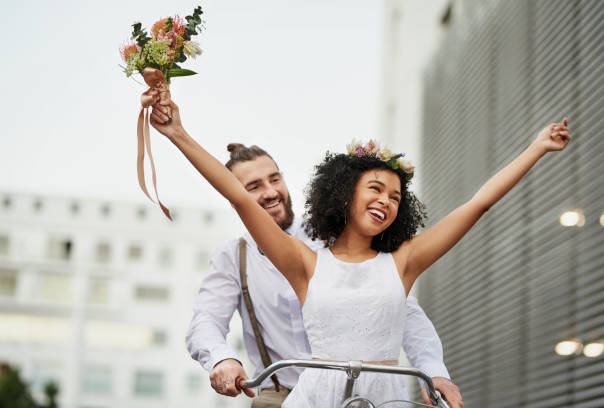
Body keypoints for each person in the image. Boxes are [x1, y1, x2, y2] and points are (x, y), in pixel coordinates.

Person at [149, 98, 570, 407]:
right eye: (375, 189)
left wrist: (536, 147)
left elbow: (477, 204)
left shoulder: (403, 262)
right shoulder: (302, 261)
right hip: (304, 397)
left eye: (396, 196)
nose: (386, 200)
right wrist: (177, 134)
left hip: (383, 397)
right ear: (344, 194)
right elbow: (237, 199)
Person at [185, 143, 463, 408]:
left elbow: (401, 311)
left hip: (359, 393)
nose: (270, 192)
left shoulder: (338, 237)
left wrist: (433, 370)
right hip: (281, 394)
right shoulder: (234, 256)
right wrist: (222, 359)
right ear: (237, 200)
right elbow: (206, 320)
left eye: (275, 179)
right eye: (254, 187)